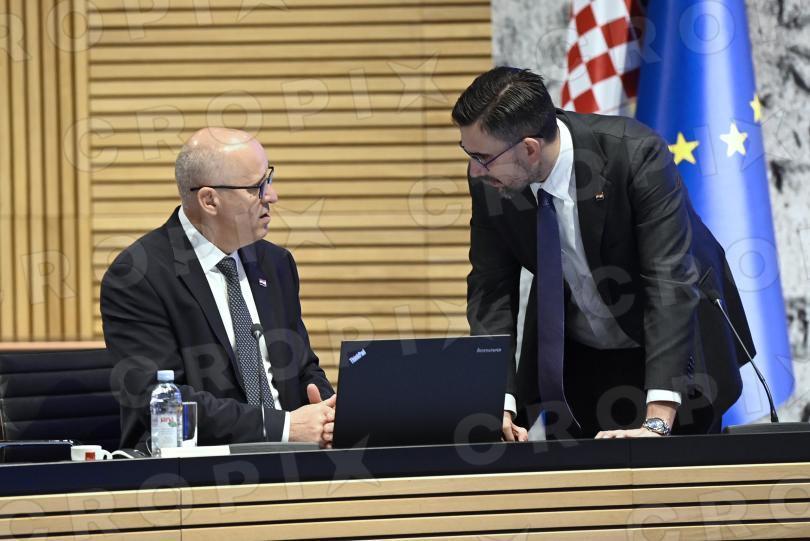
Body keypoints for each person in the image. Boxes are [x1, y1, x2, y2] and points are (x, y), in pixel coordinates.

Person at [453, 67, 754, 440]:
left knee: (676, 474)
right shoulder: (491, 180)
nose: (474, 170)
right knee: (579, 475)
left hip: (673, 352)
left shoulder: (634, 153)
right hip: (579, 360)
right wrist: (497, 398)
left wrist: (657, 420)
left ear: (529, 148)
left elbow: (669, 280)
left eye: (482, 157)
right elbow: (491, 289)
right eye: (468, 153)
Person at [101, 127, 335, 450]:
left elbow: (302, 366)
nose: (272, 196)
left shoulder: (275, 263)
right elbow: (163, 401)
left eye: (268, 179)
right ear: (209, 200)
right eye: (257, 187)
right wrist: (282, 427)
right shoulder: (138, 276)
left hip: (297, 457)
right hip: (199, 467)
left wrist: (328, 414)